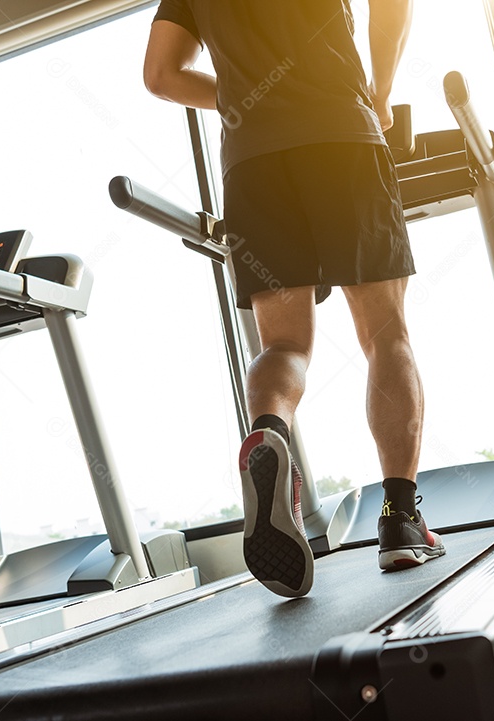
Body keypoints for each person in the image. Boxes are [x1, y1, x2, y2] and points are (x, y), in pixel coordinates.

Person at [144, 0, 444, 598]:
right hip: (342, 136)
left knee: (283, 343)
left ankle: (268, 431)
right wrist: (379, 91)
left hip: (253, 163)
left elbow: (161, 75)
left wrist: (240, 99)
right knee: (385, 332)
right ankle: (401, 518)